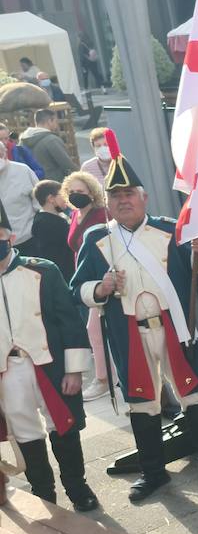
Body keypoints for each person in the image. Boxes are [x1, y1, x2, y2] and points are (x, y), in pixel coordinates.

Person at [71, 133, 198, 500]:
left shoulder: (170, 230)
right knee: (141, 404)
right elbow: (75, 290)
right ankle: (154, 473)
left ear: (144, 198)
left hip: (173, 329)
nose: (123, 201)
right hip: (130, 333)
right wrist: (102, 287)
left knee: (194, 397)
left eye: (129, 194)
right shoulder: (96, 239)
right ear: (108, 203)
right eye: (116, 196)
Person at [0, 193, 97, 512]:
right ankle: (44, 491)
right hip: (8, 370)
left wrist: (74, 370)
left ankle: (77, 487)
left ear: (10, 237)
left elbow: (69, 322)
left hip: (49, 365)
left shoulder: (43, 269)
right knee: (25, 431)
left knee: (63, 426)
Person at [60, 170, 109, 400]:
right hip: (85, 278)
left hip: (100, 276)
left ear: (91, 192)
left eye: (80, 191)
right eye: (71, 192)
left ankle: (103, 379)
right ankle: (106, 377)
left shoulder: (102, 215)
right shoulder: (74, 216)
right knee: (95, 329)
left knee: (95, 329)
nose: (76, 196)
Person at [28, 180, 74, 279]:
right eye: (62, 194)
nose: (66, 198)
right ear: (51, 199)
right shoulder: (46, 223)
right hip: (63, 273)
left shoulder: (55, 218)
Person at [21, 109, 74, 182]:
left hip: (34, 182)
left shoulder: (23, 140)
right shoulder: (51, 140)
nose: (57, 124)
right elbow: (67, 164)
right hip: (56, 182)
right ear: (49, 121)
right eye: (55, 121)